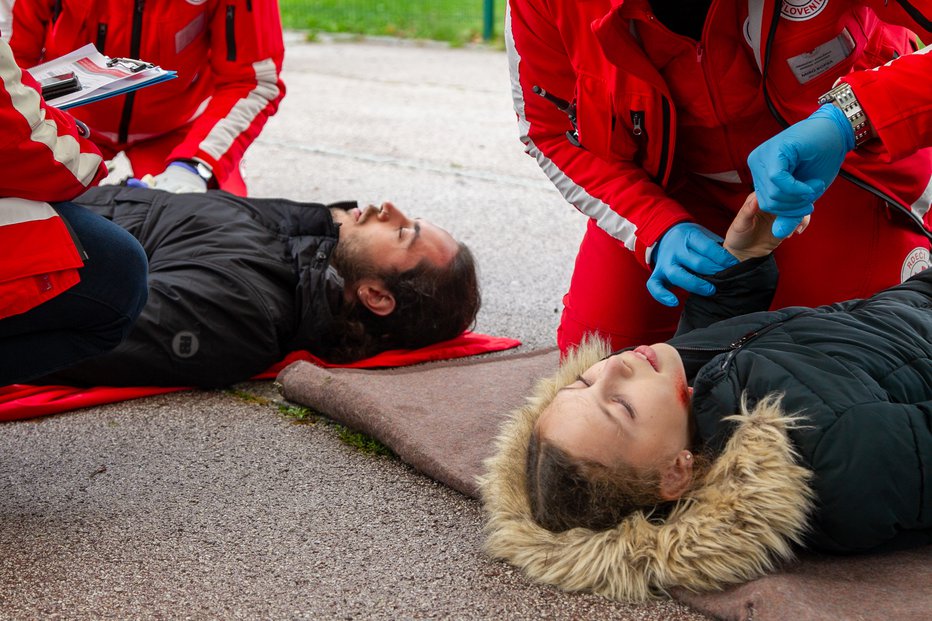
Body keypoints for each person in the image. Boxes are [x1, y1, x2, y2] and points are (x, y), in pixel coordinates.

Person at [480, 193, 931, 601]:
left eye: (584, 383)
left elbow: (713, 337)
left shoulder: (689, 402)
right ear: (676, 473)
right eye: (620, 405)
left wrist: (741, 257)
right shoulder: (834, 462)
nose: (613, 367)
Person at [505, 0, 932, 355]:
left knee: (843, 361)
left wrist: (850, 116)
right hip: (670, 192)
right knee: (594, 377)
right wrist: (654, 226)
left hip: (835, 176)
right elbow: (550, 132)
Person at [35, 186, 481, 388]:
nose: (390, 207)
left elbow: (82, 331)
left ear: (377, 296)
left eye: (404, 233)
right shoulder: (305, 239)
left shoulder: (244, 314)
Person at [9, 0, 286, 195]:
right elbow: (9, 66)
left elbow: (252, 81)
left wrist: (198, 165)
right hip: (65, 122)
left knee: (217, 232)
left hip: (179, 129)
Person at [0, 36, 148, 385]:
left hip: (174, 143)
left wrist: (198, 162)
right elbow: (42, 159)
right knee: (117, 273)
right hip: (67, 143)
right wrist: (76, 133)